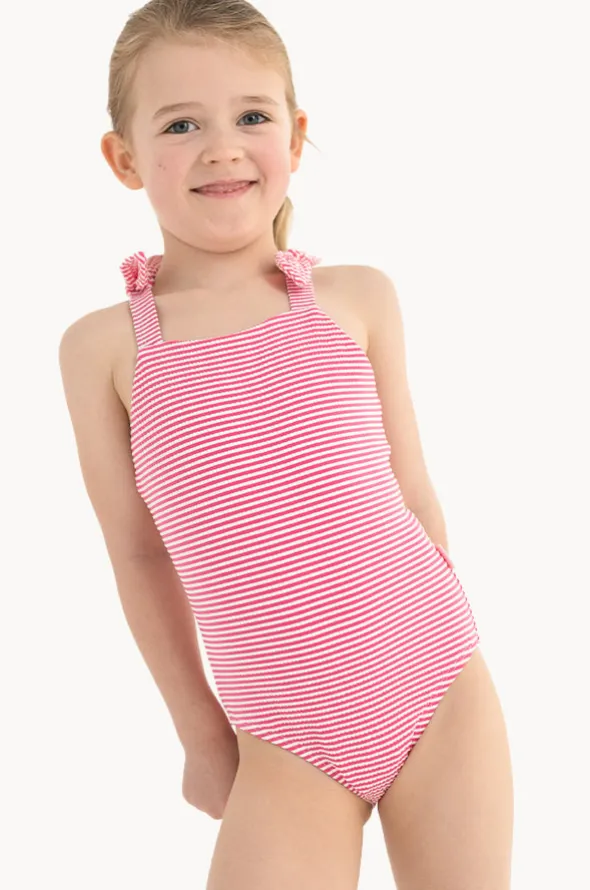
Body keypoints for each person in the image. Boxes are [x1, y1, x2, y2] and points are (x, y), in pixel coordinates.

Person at [58, 1, 514, 887]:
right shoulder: (104, 348)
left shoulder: (357, 298)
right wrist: (199, 733)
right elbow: (138, 552)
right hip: (284, 729)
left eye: (252, 116)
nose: (222, 148)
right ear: (123, 158)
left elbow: (413, 493)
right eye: (181, 125)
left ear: (295, 137)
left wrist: (432, 637)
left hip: (436, 681)